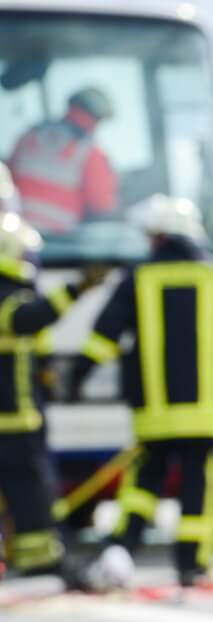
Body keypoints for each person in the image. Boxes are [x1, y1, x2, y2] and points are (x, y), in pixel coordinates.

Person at [70, 195, 213, 585]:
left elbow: (103, 337)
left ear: (161, 236)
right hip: (205, 411)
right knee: (197, 488)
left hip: (154, 412)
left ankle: (123, 549)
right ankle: (190, 564)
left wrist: (76, 377)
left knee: (144, 483)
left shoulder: (137, 278)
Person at [0, 190, 90, 587]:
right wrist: (74, 291)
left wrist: (50, 374)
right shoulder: (7, 298)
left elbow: (34, 346)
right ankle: (37, 557)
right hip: (11, 418)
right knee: (28, 488)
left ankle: (34, 555)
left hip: (20, 413)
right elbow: (27, 319)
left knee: (30, 489)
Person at [8, 87, 118, 234]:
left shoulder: (29, 136)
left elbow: (6, 179)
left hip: (15, 234)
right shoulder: (89, 151)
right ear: (95, 117)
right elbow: (102, 205)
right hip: (59, 242)